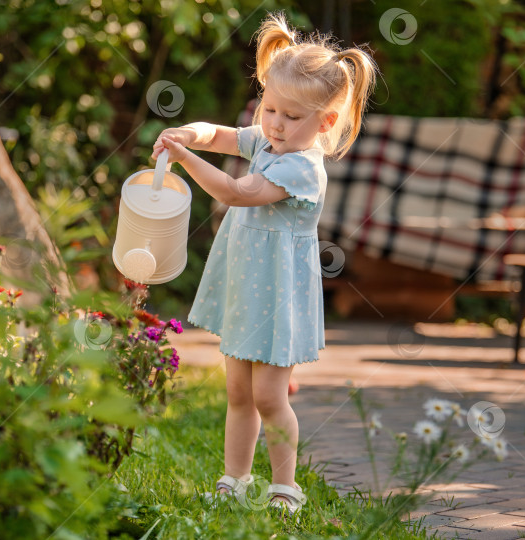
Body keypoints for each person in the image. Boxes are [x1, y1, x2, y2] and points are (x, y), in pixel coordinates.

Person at [151, 12, 377, 519]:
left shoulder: (301, 166)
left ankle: (284, 488)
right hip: (246, 287)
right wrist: (191, 133)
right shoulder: (269, 139)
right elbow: (223, 135)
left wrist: (185, 159)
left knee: (270, 397)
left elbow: (236, 191)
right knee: (238, 392)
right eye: (268, 107)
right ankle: (234, 480)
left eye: (290, 116)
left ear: (324, 123)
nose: (274, 123)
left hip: (278, 298)